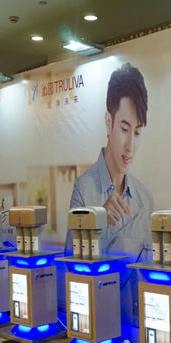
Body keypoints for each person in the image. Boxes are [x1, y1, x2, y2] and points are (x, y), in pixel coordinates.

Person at [66, 62, 153, 259]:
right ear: (108, 122)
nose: (130, 146)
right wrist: (98, 223)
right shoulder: (84, 190)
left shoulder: (144, 200)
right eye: (124, 129)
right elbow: (70, 261)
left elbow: (147, 269)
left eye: (137, 132)